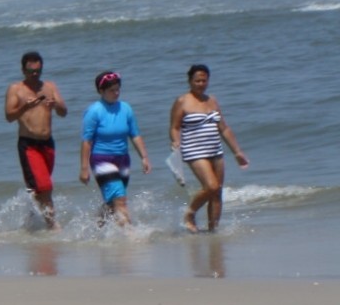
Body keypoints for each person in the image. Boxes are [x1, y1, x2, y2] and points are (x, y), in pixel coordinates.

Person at [168, 63, 248, 233]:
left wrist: (237, 152)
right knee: (211, 186)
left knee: (217, 192)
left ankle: (213, 232)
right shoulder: (182, 101)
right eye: (197, 81)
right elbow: (174, 127)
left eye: (204, 80)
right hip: (194, 151)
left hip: (215, 150)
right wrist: (175, 142)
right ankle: (189, 214)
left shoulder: (212, 100)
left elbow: (224, 128)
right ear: (190, 81)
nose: (201, 84)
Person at [3, 50, 68, 228]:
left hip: (48, 144)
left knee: (39, 188)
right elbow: (9, 116)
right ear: (23, 70)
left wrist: (55, 105)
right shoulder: (16, 89)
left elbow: (64, 112)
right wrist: (25, 107)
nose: (35, 75)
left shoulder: (49, 86)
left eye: (38, 71)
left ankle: (31, 222)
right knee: (45, 186)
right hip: (29, 145)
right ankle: (53, 226)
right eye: (31, 71)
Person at [79, 71, 152, 226]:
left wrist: (144, 157)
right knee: (120, 199)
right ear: (101, 91)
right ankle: (130, 236)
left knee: (113, 203)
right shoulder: (94, 111)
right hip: (101, 159)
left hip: (123, 159)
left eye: (118, 89)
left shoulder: (126, 108)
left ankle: (96, 227)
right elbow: (87, 142)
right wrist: (84, 168)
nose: (116, 93)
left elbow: (135, 135)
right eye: (112, 90)